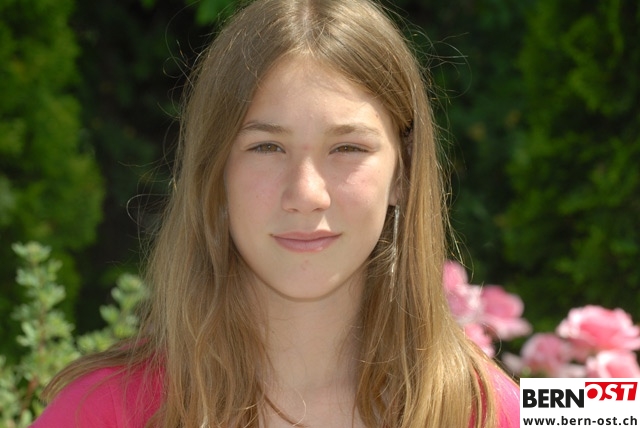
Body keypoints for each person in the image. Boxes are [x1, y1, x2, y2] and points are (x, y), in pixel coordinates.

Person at [31, 0, 519, 426]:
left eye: (347, 147)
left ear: (403, 173)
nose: (306, 193)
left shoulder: (502, 409)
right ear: (215, 172)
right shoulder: (99, 410)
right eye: (267, 146)